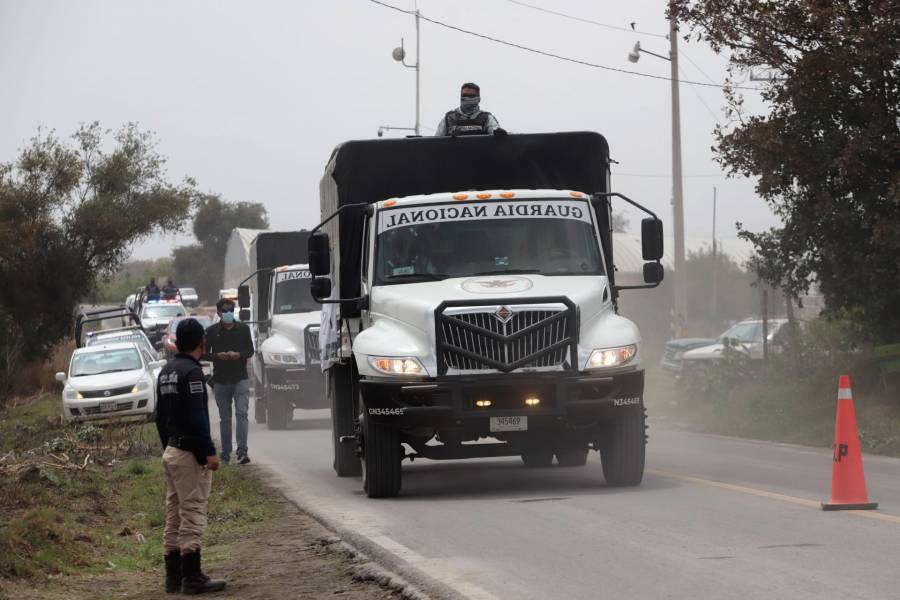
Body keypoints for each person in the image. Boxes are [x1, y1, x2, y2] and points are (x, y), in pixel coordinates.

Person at [155, 318, 227, 595]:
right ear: (201, 342)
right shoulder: (193, 373)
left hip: (172, 450)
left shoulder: (166, 372)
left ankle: (173, 578)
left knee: (174, 514)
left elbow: (160, 417)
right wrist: (208, 452)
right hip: (188, 455)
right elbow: (198, 416)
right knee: (192, 513)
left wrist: (167, 446)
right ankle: (193, 578)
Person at [204, 298, 254, 465]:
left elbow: (250, 351)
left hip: (240, 378)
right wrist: (218, 356)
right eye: (224, 311)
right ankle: (226, 453)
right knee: (225, 419)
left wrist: (238, 355)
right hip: (220, 380)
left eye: (231, 310)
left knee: (242, 414)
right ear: (218, 313)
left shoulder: (243, 329)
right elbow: (204, 353)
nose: (228, 314)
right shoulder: (211, 332)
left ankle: (242, 450)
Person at [435, 82, 504, 136]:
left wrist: (498, 133)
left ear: (478, 99)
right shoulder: (449, 117)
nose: (466, 98)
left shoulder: (486, 117)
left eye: (471, 96)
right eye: (464, 95)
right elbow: (436, 141)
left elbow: (494, 129)